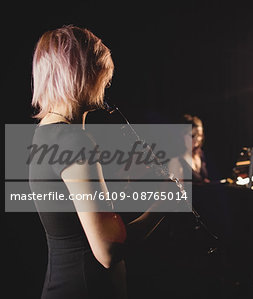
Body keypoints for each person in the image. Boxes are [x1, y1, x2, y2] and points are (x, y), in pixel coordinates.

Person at [28, 25, 165, 299]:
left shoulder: (46, 132)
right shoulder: (73, 140)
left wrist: (122, 186)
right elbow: (107, 251)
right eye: (103, 73)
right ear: (82, 73)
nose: (106, 83)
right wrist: (167, 205)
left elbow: (72, 220)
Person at [168, 114, 210, 185]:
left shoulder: (200, 154)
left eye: (199, 135)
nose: (197, 139)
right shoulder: (176, 161)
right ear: (182, 136)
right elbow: (177, 192)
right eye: (192, 136)